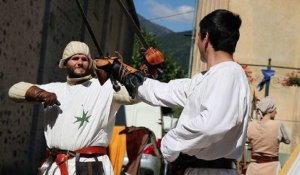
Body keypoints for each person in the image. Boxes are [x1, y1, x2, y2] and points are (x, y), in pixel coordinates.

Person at [99, 9, 251, 175]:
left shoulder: (228, 73)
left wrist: (170, 142)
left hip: (211, 171)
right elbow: (166, 91)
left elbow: (210, 125)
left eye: (199, 36)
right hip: (197, 169)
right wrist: (124, 73)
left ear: (205, 37)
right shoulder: (207, 78)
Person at [8, 41, 142, 175]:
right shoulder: (54, 88)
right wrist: (40, 94)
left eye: (84, 59)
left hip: (91, 166)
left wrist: (131, 71)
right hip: (56, 165)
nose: (80, 62)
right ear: (65, 62)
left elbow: (135, 95)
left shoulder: (105, 87)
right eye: (75, 58)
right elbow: (14, 91)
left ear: (89, 63)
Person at [246, 96, 290, 175]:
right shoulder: (277, 125)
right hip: (272, 168)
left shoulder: (251, 125)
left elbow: (247, 140)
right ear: (270, 110)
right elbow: (287, 141)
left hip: (253, 168)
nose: (276, 112)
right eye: (275, 109)